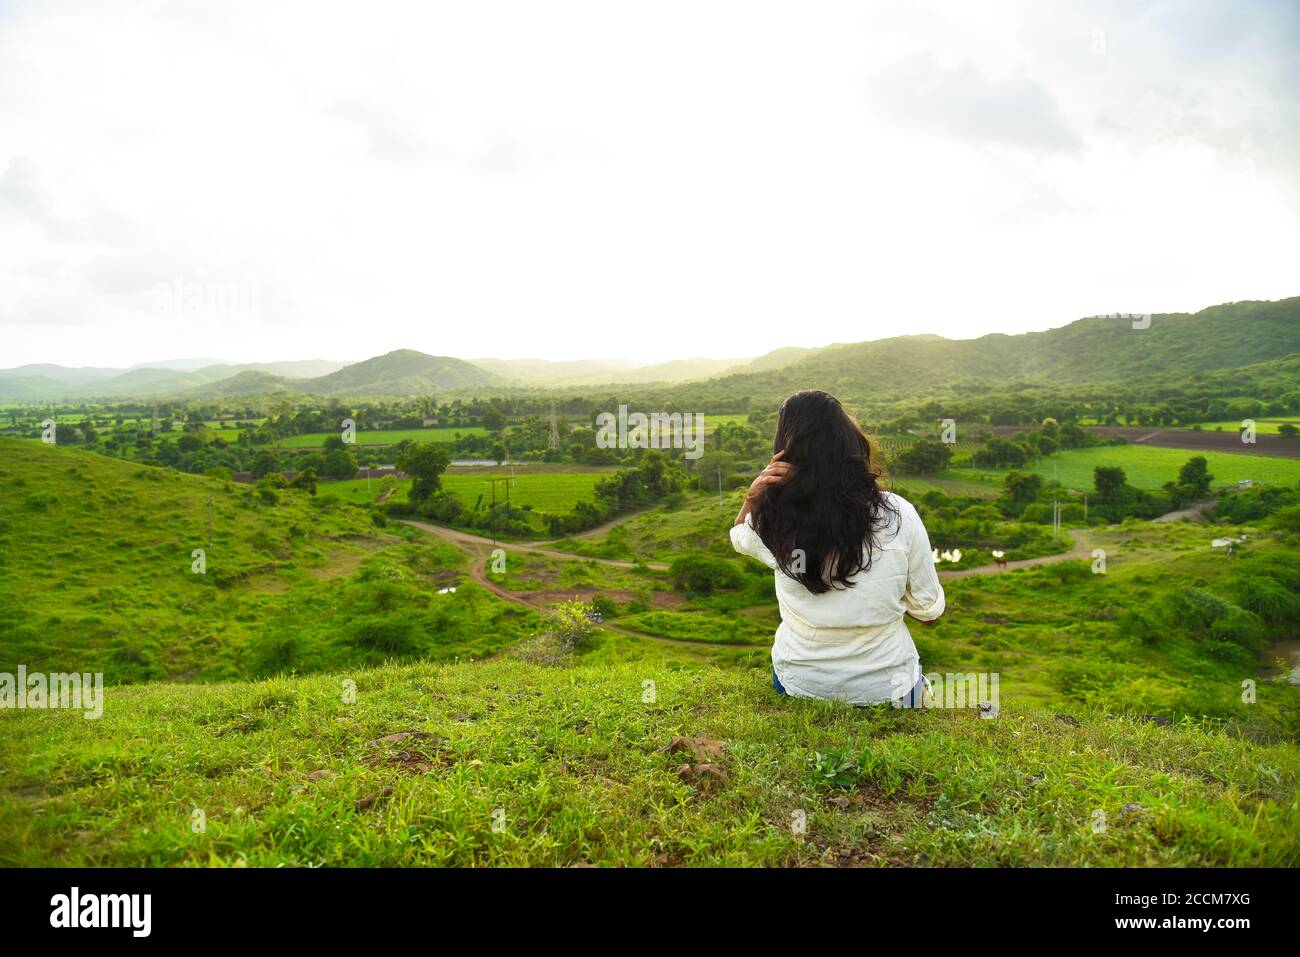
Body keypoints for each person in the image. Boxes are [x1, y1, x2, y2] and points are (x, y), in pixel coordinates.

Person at [730, 390, 943, 707]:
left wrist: (753, 497)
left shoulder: (775, 520)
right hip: (887, 686)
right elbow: (928, 615)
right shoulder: (899, 514)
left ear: (785, 452)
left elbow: (738, 535)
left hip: (798, 681)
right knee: (924, 690)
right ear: (850, 442)